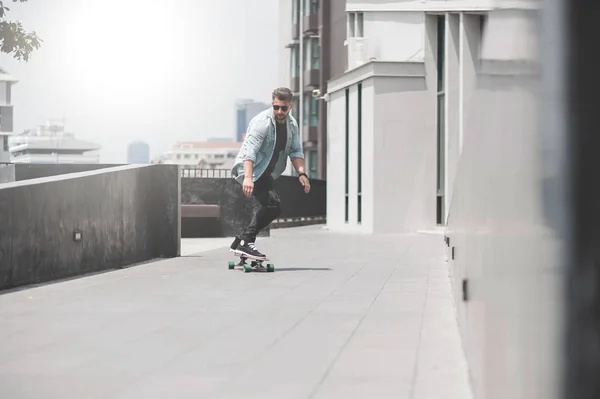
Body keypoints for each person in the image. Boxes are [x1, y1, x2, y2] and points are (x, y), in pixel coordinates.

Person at [229, 87, 311, 259]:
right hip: (252, 170)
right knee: (273, 206)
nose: (279, 112)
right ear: (272, 104)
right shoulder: (262, 123)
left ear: (290, 107)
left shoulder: (292, 125)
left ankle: (240, 242)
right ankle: (246, 241)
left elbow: (296, 151)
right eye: (276, 107)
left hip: (267, 172)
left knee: (273, 206)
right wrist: (248, 179)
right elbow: (249, 152)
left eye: (283, 108)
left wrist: (302, 174)